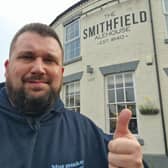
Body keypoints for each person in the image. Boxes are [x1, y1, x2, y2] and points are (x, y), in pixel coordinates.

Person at [0, 23, 147, 168]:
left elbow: (123, 158)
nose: (39, 69)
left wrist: (132, 162)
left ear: (61, 74)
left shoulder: (85, 131)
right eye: (27, 57)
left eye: (49, 60)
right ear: (7, 68)